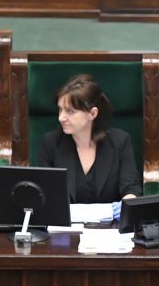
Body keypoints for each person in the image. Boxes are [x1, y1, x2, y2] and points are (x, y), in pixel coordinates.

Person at [38, 74, 141, 203]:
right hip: (66, 222)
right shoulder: (51, 143)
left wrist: (126, 207)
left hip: (110, 222)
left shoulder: (120, 141)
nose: (61, 118)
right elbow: (44, 191)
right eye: (60, 110)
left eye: (70, 111)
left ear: (92, 114)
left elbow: (130, 189)